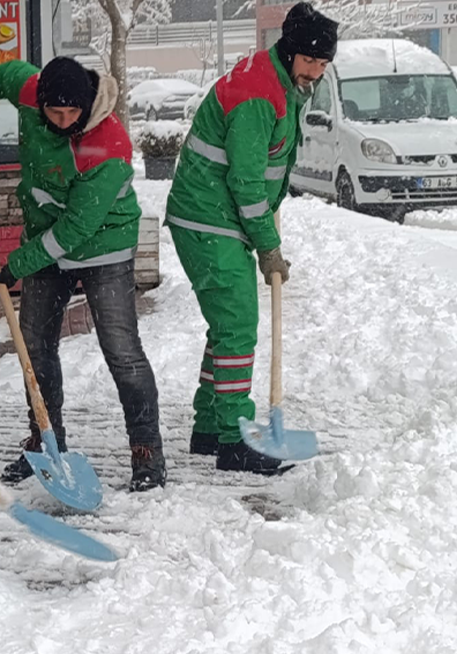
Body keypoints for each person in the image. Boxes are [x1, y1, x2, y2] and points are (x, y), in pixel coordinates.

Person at [0, 57, 165, 492]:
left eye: (72, 114)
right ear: (39, 102)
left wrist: (15, 266)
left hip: (103, 245)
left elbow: (78, 228)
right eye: (54, 113)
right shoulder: (29, 90)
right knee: (35, 347)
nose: (63, 122)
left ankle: (146, 449)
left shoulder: (109, 145)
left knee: (121, 350)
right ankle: (46, 438)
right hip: (45, 239)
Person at [164, 1, 337, 474]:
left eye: (324, 65)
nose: (316, 73)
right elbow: (245, 182)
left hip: (217, 215)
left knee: (226, 326)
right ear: (289, 52)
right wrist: (268, 246)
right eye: (310, 62)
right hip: (208, 217)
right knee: (238, 324)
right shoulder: (260, 94)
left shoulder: (280, 79)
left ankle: (208, 426)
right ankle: (233, 441)